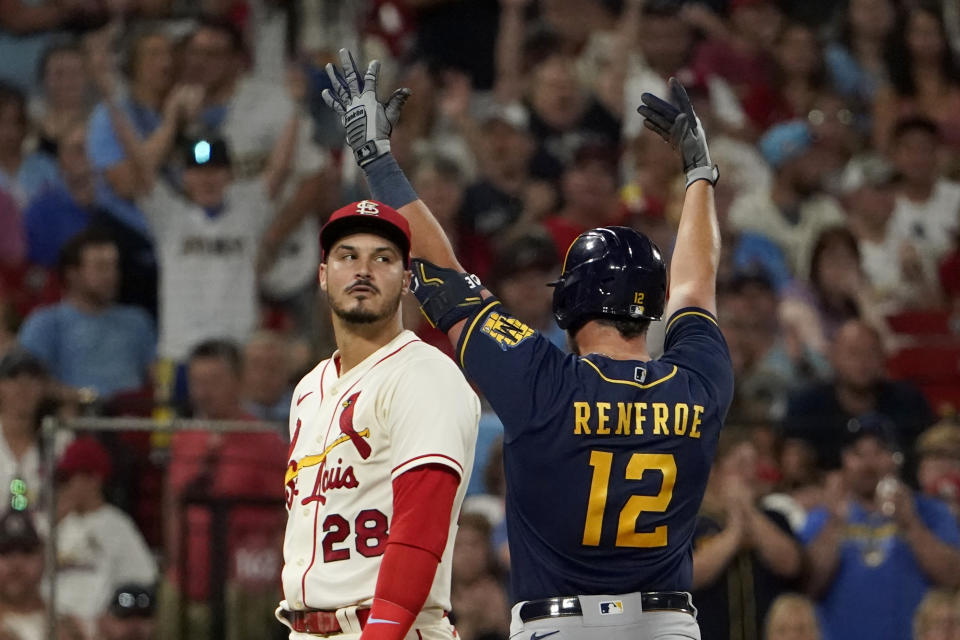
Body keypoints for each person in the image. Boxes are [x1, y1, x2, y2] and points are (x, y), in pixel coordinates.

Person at [323, 49, 732, 639]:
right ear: (652, 303)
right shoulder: (698, 382)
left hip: (560, 626)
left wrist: (376, 158)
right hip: (667, 624)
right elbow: (697, 285)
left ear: (568, 305)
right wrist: (700, 176)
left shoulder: (542, 379)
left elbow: (442, 273)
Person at [275, 192, 481, 640]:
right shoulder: (308, 389)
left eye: (383, 258)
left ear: (407, 280)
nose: (364, 270)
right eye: (348, 256)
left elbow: (421, 525)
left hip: (393, 628)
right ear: (323, 275)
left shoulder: (424, 374)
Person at [162, 340, 287, 640]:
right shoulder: (184, 440)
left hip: (244, 584)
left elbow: (288, 517)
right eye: (197, 382)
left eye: (214, 381)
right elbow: (171, 504)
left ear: (238, 381)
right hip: (187, 576)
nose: (204, 392)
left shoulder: (267, 444)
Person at [802, 421, 960, 640]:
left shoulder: (930, 512)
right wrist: (835, 522)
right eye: (858, 453)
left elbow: (953, 578)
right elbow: (807, 587)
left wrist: (911, 524)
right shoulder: (821, 519)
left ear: (897, 459)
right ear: (844, 461)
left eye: (879, 451)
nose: (868, 463)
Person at [18, 228, 156, 400]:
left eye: (114, 266)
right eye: (101, 267)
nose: (111, 275)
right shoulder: (46, 323)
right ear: (72, 274)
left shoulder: (137, 320)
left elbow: (157, 377)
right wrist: (83, 398)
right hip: (75, 417)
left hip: (134, 418)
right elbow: (27, 382)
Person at [691, 430, 803, 640]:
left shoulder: (773, 517)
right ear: (714, 471)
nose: (751, 474)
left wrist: (748, 512)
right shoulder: (690, 524)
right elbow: (686, 577)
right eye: (741, 465)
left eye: (754, 465)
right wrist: (735, 533)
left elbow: (791, 565)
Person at [782, 320, 935, 471]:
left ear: (883, 357)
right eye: (853, 353)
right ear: (833, 357)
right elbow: (792, 464)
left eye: (871, 353)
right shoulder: (805, 406)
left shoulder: (909, 401)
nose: (863, 362)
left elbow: (929, 455)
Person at [54, 437, 157, 632]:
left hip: (99, 630)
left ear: (94, 479)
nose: (64, 485)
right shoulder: (56, 524)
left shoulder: (117, 525)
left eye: (69, 477)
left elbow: (142, 581)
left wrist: (114, 616)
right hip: (52, 626)